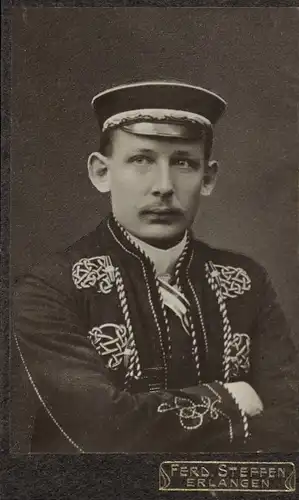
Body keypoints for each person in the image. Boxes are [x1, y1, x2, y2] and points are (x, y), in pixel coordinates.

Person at [12, 80, 299, 453]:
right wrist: (230, 400)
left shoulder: (247, 282)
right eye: (141, 159)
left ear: (208, 178)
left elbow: (290, 421)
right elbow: (100, 429)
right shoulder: (48, 286)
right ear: (101, 172)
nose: (164, 186)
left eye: (183, 163)